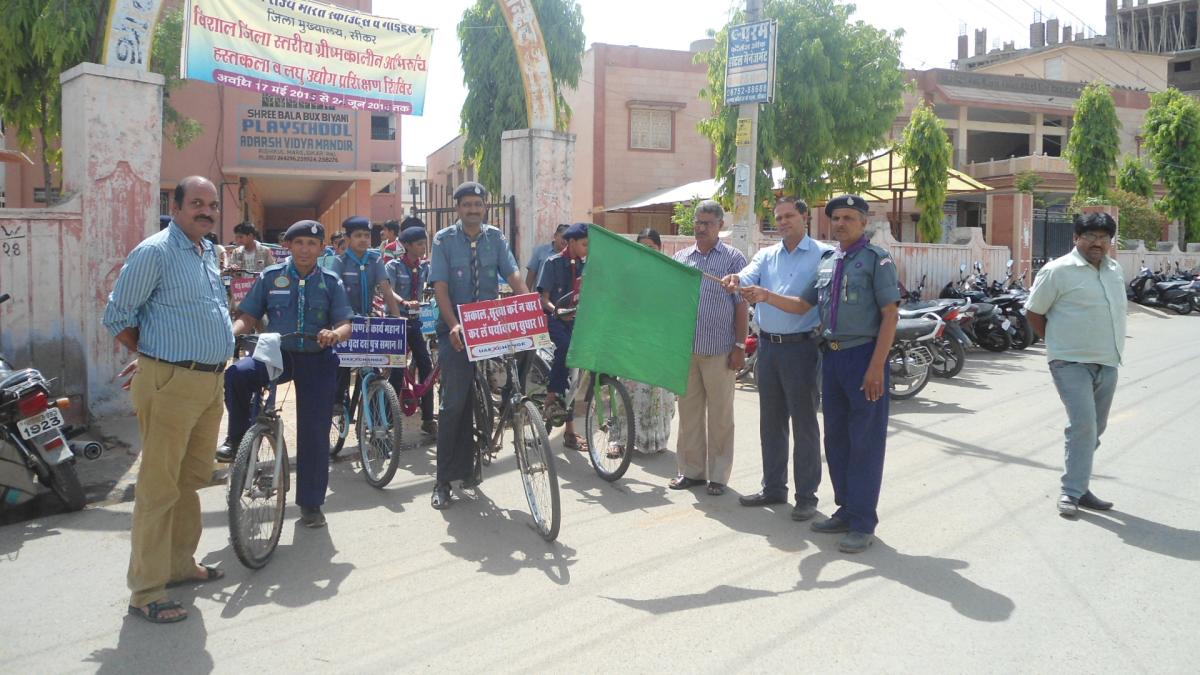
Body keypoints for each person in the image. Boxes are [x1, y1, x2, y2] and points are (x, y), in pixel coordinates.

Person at [735, 194, 899, 553]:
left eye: (848, 218)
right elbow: (801, 305)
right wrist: (764, 295)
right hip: (833, 357)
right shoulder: (829, 263)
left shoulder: (877, 260)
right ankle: (844, 510)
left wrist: (876, 367)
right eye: (836, 218)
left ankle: (862, 521)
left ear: (863, 222)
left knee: (864, 443)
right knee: (836, 439)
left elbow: (890, 313)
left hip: (863, 357)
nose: (840, 224)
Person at [103, 176, 234, 624]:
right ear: (175, 206)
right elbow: (116, 315)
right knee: (159, 488)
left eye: (211, 204)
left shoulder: (208, 252)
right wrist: (153, 358)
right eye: (195, 202)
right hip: (171, 383)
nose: (206, 210)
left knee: (191, 479)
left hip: (210, 384)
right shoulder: (154, 252)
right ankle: (146, 590)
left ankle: (179, 565)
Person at [220, 220, 353, 528]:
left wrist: (335, 335)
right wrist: (232, 334)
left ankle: (310, 504)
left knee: (314, 432)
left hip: (317, 358)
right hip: (277, 354)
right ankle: (238, 440)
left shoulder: (330, 281)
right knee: (237, 375)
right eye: (299, 243)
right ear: (288, 247)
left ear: (322, 249)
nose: (305, 249)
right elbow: (248, 315)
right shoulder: (270, 277)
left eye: (312, 244)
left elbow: (346, 323)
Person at [723, 197, 831, 521]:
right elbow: (746, 274)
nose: (783, 222)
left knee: (804, 425)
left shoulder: (823, 255)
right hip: (768, 350)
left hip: (802, 349)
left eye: (788, 216)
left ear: (804, 217)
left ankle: (806, 496)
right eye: (778, 218)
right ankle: (773, 487)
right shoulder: (767, 255)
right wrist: (735, 281)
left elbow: (805, 304)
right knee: (770, 423)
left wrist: (767, 295)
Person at [428, 181, 527, 510]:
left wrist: (528, 305)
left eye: (478, 204)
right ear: (458, 208)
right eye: (466, 204)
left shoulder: (495, 237)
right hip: (454, 328)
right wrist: (454, 323)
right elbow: (440, 288)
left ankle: (479, 451)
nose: (472, 209)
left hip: (488, 323)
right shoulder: (443, 240)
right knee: (454, 403)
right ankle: (443, 480)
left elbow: (512, 276)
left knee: (512, 371)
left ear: (485, 207)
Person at [1024, 212, 1126, 519]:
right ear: (1076, 238)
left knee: (1096, 428)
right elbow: (1034, 312)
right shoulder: (1058, 270)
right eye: (1091, 236)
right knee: (1083, 424)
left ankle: (1080, 485)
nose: (1098, 242)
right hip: (1070, 362)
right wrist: (1056, 345)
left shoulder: (1115, 270)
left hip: (1108, 361)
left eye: (1104, 237)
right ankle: (1070, 492)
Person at [670, 200, 748, 497]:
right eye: (698, 223)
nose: (701, 228)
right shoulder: (682, 258)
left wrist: (740, 346)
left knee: (720, 416)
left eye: (707, 223)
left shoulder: (733, 259)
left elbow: (741, 306)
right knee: (688, 414)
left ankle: (717, 475)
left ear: (720, 226)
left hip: (720, 351)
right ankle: (691, 472)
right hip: (687, 350)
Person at [330, 216, 402, 412]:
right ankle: (337, 401)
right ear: (347, 238)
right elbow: (333, 295)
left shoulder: (375, 259)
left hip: (367, 318)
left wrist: (396, 319)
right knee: (342, 365)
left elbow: (386, 290)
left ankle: (376, 411)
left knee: (375, 365)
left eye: (367, 235)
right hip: (344, 321)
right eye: (358, 235)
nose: (363, 239)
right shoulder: (339, 262)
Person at [620, 228, 676, 454]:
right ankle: (621, 440)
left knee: (657, 392)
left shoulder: (670, 273)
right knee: (628, 391)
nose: (646, 251)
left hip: (659, 341)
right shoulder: (629, 273)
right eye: (642, 247)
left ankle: (654, 440)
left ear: (659, 248)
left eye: (651, 247)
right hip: (633, 340)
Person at [537, 222, 589, 450]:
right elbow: (542, 299)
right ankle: (550, 395)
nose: (588, 249)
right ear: (572, 242)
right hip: (553, 318)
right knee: (567, 347)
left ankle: (570, 432)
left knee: (576, 373)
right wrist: (557, 310)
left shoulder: (586, 266)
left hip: (577, 319)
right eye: (585, 244)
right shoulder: (552, 263)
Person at [386, 222, 438, 436]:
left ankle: (427, 419)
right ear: (406, 245)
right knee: (397, 372)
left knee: (426, 367)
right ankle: (387, 423)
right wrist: (404, 302)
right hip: (396, 322)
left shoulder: (426, 267)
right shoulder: (394, 267)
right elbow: (387, 290)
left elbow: (437, 283)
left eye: (424, 244)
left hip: (415, 322)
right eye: (418, 244)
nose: (422, 248)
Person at [526, 223, 570, 291]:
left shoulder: (570, 256)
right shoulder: (540, 251)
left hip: (562, 298)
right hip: (541, 297)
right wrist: (526, 297)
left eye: (568, 239)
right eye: (563, 237)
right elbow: (530, 277)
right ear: (555, 236)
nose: (565, 241)